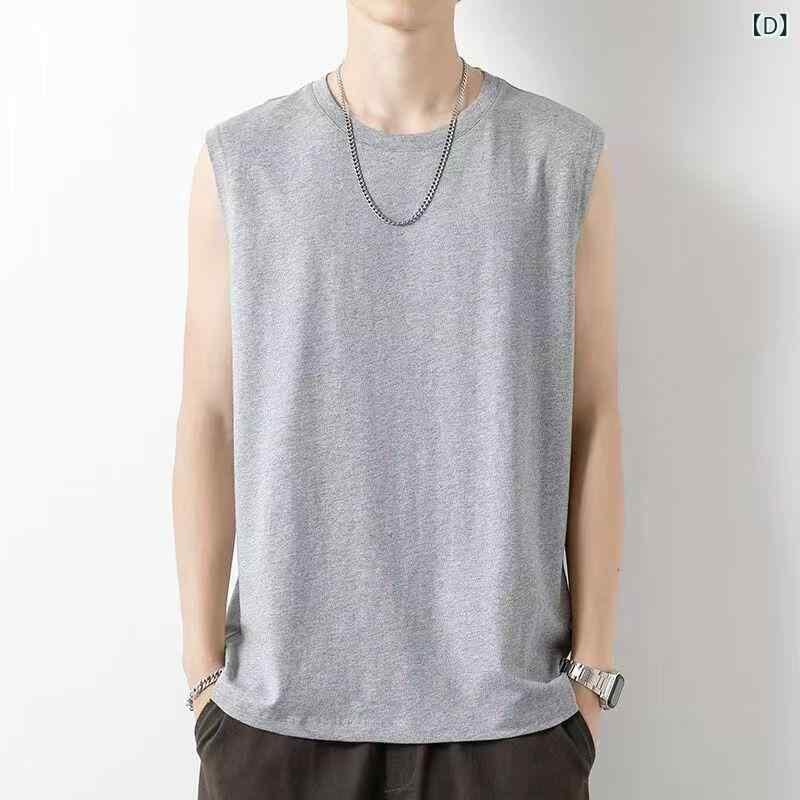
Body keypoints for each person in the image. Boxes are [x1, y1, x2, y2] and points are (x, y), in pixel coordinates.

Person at [172, 1, 624, 797]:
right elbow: (208, 417)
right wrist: (203, 676)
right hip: (276, 725)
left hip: (510, 726)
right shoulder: (242, 163)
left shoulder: (561, 159)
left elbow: (593, 418)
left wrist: (590, 679)